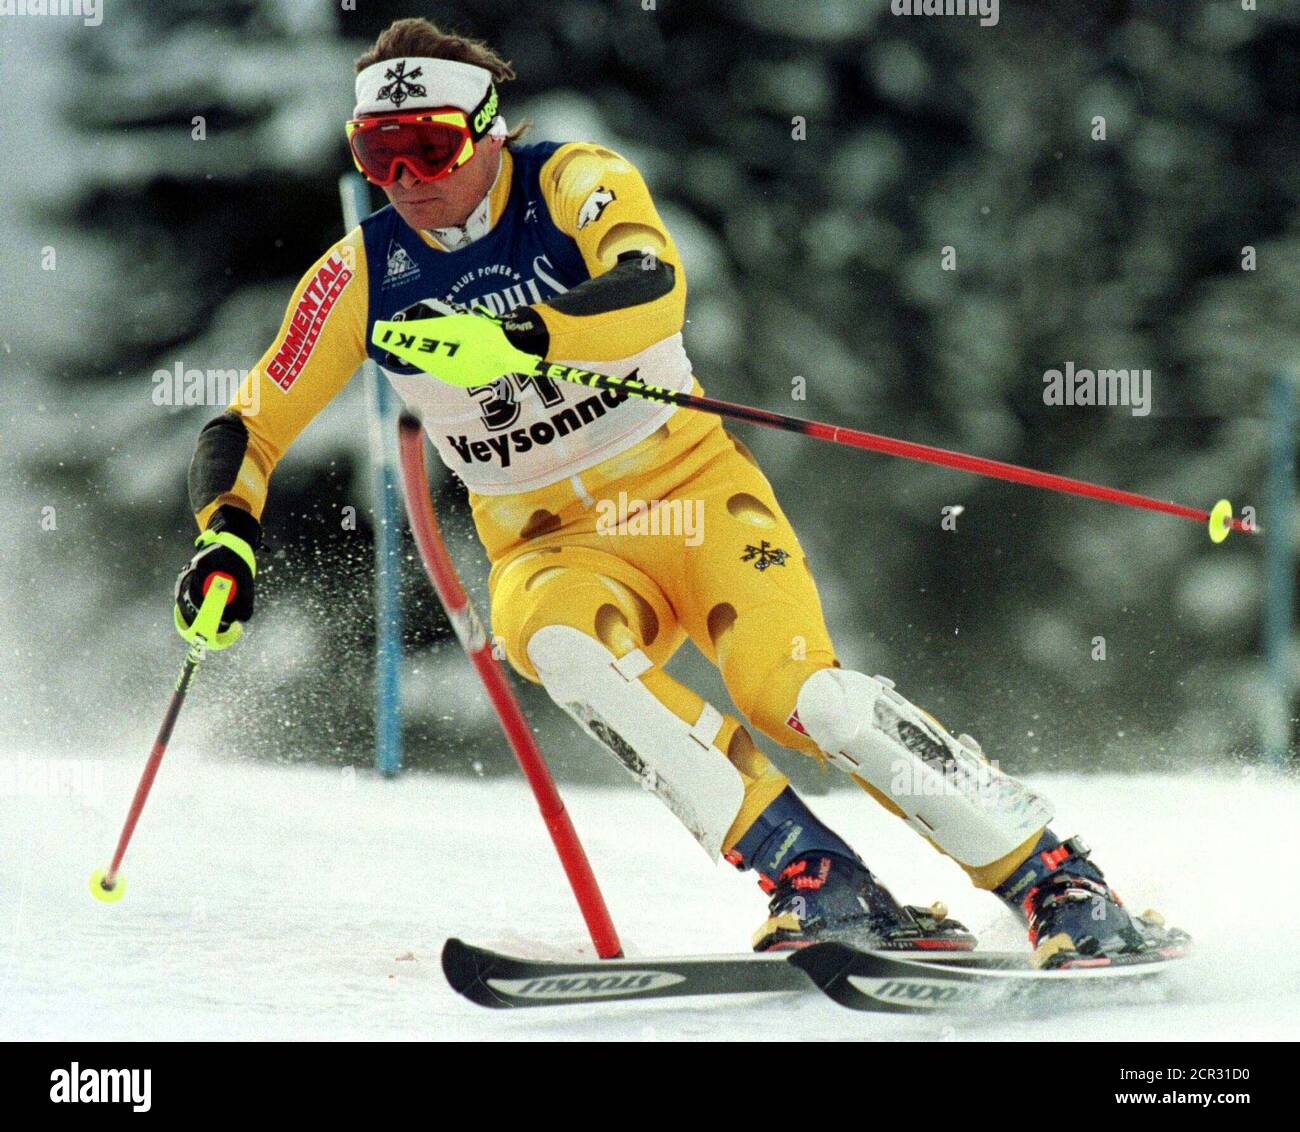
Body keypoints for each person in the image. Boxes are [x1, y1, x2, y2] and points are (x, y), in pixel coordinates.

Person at [177, 17, 1181, 964]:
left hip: (690, 497)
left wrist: (522, 335)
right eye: (375, 153)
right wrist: (226, 539)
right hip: (550, 544)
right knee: (559, 645)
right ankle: (814, 877)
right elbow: (246, 423)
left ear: (484, 133)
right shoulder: (362, 272)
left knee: (802, 699)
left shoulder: (573, 178)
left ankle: (1052, 875)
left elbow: (651, 282)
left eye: (429, 150)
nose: (403, 179)